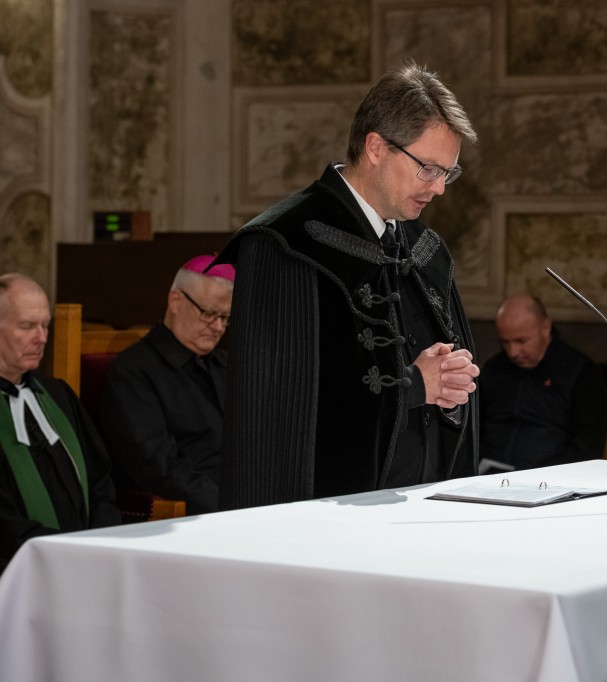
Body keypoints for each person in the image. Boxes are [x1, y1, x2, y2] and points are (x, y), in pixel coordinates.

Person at [212, 62, 480, 509]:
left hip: (427, 506)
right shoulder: (287, 244)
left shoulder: (423, 249)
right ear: (376, 147)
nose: (439, 189)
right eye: (429, 169)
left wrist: (453, 382)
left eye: (448, 173)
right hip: (331, 516)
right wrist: (414, 385)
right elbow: (278, 411)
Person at [0, 274, 121, 572]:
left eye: (45, 325)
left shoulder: (57, 394)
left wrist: (100, 539)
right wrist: (60, 554)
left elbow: (100, 479)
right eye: (27, 326)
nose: (41, 337)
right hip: (18, 568)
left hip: (86, 555)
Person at [99, 255, 235, 515]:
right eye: (209, 313)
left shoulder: (227, 365)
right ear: (175, 301)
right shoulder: (134, 372)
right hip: (196, 511)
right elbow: (158, 466)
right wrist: (231, 506)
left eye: (225, 317)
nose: (218, 327)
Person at [478, 294, 607, 471]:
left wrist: (540, 472)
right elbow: (473, 426)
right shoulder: (494, 368)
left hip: (551, 476)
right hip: (485, 473)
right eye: (505, 342)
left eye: (521, 341)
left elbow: (587, 445)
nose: (512, 352)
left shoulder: (580, 372)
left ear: (545, 328)